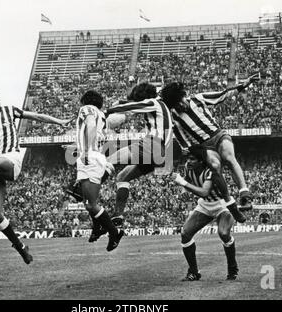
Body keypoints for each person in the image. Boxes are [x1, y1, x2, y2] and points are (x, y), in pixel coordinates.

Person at [0, 88, 73, 264]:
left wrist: (59, 121)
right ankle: (21, 247)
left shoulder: (9, 111)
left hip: (11, 160)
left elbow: (37, 116)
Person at [160, 74, 260, 221]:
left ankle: (244, 194)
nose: (181, 105)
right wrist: (188, 149)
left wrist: (243, 85)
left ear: (184, 95)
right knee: (215, 165)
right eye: (176, 105)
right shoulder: (173, 117)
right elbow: (179, 136)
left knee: (229, 157)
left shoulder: (198, 99)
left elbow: (222, 95)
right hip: (204, 146)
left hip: (218, 135)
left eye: (180, 101)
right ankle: (230, 204)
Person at [105, 82, 173, 226]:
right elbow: (134, 104)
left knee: (110, 159)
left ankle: (82, 191)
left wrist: (107, 111)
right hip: (161, 154)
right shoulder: (161, 105)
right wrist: (123, 101)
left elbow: (132, 106)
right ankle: (118, 216)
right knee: (122, 177)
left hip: (152, 144)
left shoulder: (153, 102)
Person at [171, 146, 239, 281]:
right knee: (185, 234)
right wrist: (183, 188)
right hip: (205, 205)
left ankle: (232, 269)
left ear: (201, 161)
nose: (189, 161)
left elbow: (204, 192)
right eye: (188, 158)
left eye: (192, 159)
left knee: (224, 233)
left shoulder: (210, 171)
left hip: (221, 205)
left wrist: (182, 182)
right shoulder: (188, 168)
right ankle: (193, 272)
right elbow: (190, 184)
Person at [74, 90, 124, 250]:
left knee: (91, 204)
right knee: (86, 201)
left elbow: (90, 124)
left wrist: (87, 150)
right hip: (97, 157)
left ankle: (114, 232)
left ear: (85, 101)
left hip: (91, 157)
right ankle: (98, 228)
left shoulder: (87, 109)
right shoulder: (101, 114)